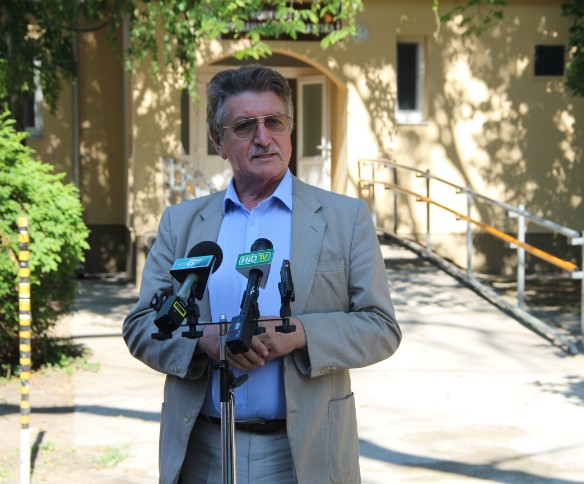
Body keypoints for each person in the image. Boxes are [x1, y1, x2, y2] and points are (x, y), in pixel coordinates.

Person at [123, 64, 401, 484]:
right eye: (244, 126)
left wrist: (302, 333)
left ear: (290, 129)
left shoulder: (345, 219)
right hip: (203, 451)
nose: (263, 137)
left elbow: (381, 328)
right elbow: (140, 326)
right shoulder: (181, 223)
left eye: (274, 121)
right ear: (218, 141)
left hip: (304, 454)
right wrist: (202, 340)